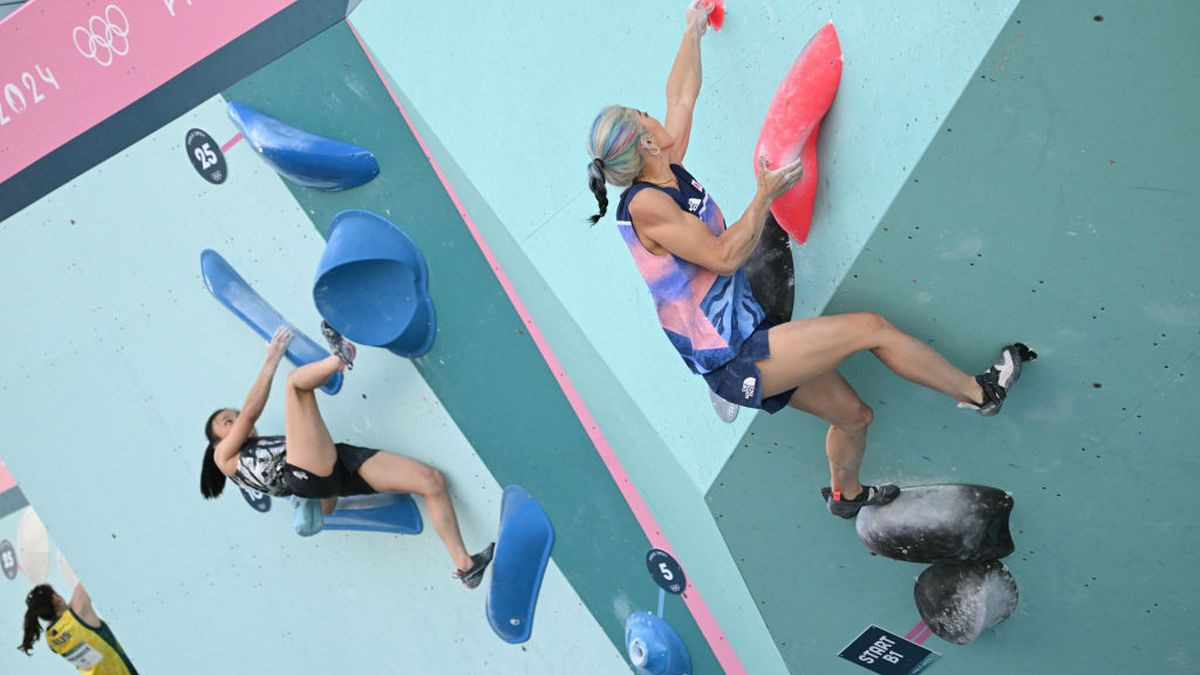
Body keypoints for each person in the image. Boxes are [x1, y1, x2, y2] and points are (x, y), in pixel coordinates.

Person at [583, 2, 1035, 518]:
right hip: (738, 355)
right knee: (872, 328)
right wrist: (764, 195)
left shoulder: (665, 163)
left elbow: (681, 95)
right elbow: (726, 256)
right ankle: (982, 394)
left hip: (747, 332)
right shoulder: (648, 206)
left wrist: (694, 30)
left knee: (855, 416)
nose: (654, 114)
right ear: (645, 139)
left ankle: (847, 496)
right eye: (644, 115)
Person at [200, 324, 494, 586]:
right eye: (228, 421)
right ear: (216, 443)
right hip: (306, 474)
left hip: (335, 470)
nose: (237, 419)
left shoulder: (267, 448)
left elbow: (326, 505)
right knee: (294, 384)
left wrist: (325, 489)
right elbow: (251, 413)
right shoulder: (224, 459)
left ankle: (465, 565)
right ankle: (340, 357)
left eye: (233, 415)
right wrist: (271, 358)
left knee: (431, 481)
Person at [19, 582, 137, 674]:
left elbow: (60, 621)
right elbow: (88, 574)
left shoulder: (51, 639)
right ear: (55, 598)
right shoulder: (79, 612)